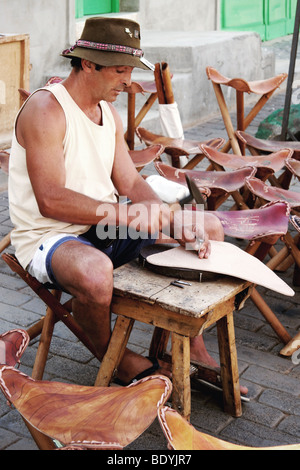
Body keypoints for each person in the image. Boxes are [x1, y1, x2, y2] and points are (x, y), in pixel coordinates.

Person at [9, 17, 226, 385]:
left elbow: (128, 180)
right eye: (120, 71)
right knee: (94, 273)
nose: (128, 81)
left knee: (208, 226)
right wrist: (124, 214)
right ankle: (114, 356)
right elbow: (49, 199)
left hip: (104, 226)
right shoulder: (46, 109)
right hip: (51, 236)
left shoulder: (106, 112)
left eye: (130, 70)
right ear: (88, 63)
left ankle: (189, 344)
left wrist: (158, 212)